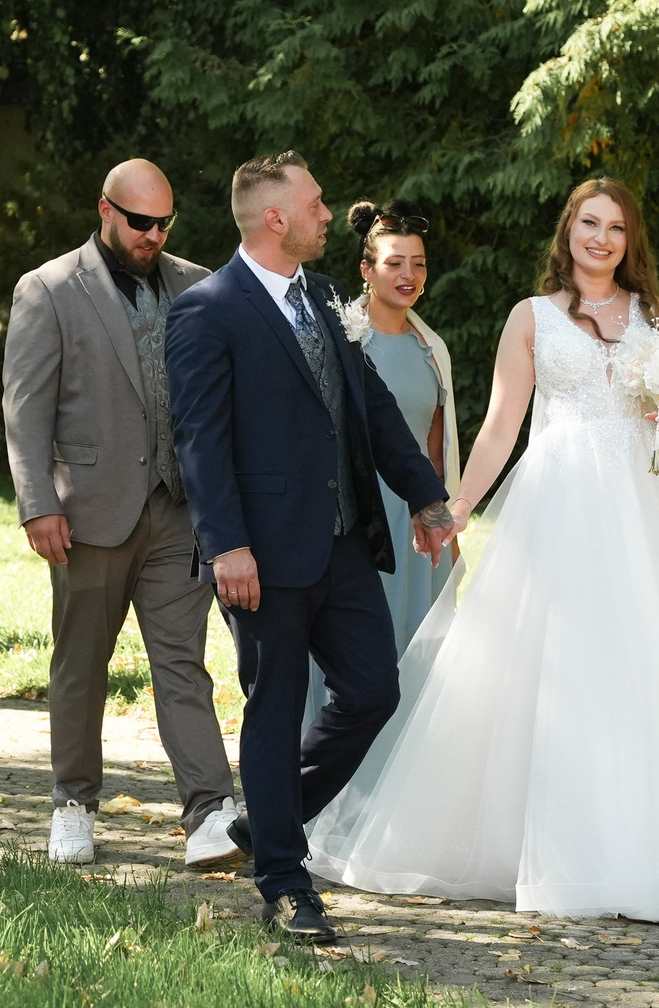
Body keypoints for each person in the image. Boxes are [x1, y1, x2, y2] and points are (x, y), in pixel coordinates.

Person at [305, 179, 659, 919]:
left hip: (644, 505)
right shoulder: (530, 317)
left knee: (649, 660)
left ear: (631, 241)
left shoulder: (654, 315)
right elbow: (502, 424)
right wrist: (457, 504)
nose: (601, 238)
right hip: (558, 503)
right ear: (568, 230)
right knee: (549, 663)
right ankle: (534, 847)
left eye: (616, 228)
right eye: (590, 223)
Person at [166, 152, 455, 943]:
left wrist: (424, 493)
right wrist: (226, 545)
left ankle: (267, 819)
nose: (329, 214)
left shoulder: (326, 296)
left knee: (372, 690)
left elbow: (371, 406)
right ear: (276, 217)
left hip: (343, 541)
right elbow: (199, 439)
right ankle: (288, 884)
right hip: (259, 555)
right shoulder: (207, 310)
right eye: (317, 203)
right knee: (277, 706)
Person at [3, 158, 242, 868]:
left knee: (182, 663)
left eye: (164, 223)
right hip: (88, 511)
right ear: (105, 210)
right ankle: (73, 803)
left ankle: (210, 813)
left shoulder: (198, 284)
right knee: (81, 663)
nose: (153, 235)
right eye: (141, 222)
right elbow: (24, 408)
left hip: (179, 509)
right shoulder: (48, 288)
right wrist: (37, 504)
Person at [300, 200, 461, 737]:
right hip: (351, 518)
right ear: (366, 269)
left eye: (418, 263)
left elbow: (436, 454)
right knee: (348, 661)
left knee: (412, 654)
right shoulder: (337, 338)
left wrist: (449, 532)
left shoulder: (432, 350)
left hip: (414, 525)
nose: (408, 274)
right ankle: (329, 772)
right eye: (394, 262)